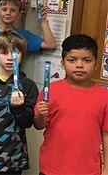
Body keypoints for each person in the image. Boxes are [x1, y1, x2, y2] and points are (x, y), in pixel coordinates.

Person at [34, 34, 108, 175]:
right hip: (52, 168)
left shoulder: (104, 96)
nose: (79, 65)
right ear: (63, 63)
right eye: (72, 60)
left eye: (86, 60)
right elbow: (39, 125)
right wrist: (40, 115)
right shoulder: (51, 91)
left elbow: (106, 135)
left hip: (88, 170)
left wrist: (106, 169)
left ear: (96, 64)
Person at [0, 31, 38, 175]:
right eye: (4, 53)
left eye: (15, 53)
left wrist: (18, 109)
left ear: (23, 55)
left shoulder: (27, 85)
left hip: (14, 157)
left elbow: (27, 123)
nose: (10, 58)